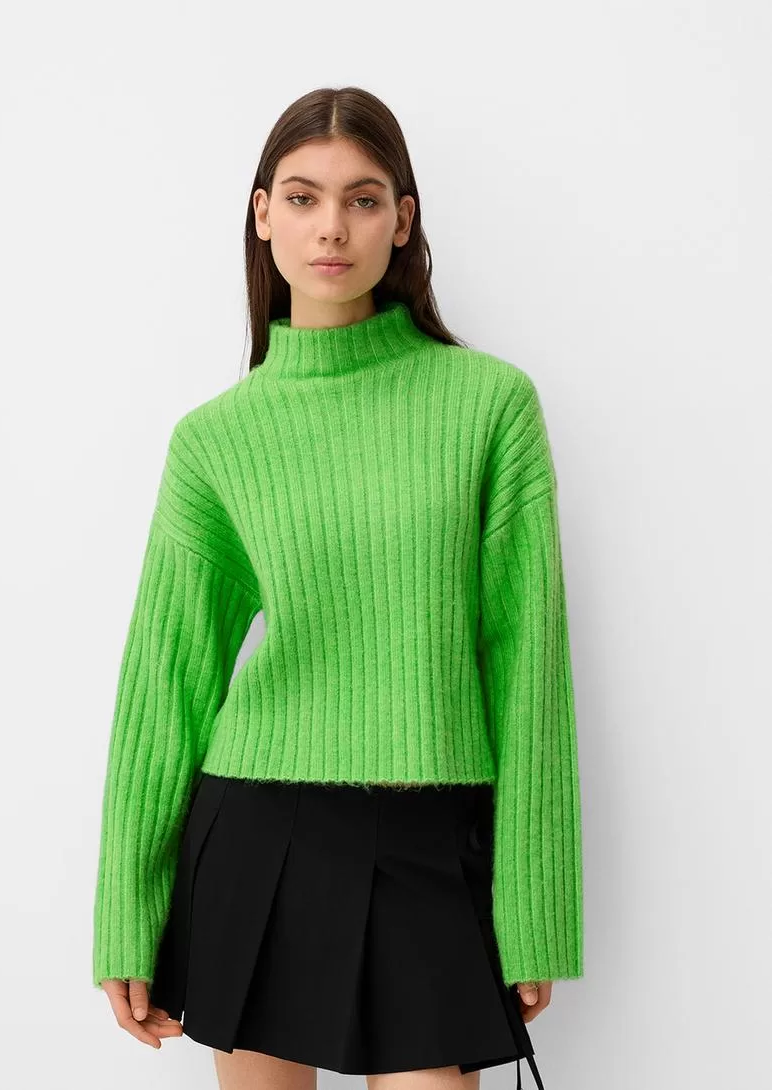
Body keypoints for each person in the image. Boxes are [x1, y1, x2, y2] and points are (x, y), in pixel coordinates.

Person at [92, 85, 584, 1090]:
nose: (331, 227)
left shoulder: (489, 405)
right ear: (261, 212)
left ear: (402, 220)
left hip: (430, 836)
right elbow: (167, 679)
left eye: (362, 199)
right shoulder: (216, 439)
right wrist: (125, 914)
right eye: (303, 196)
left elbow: (526, 659)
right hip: (257, 834)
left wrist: (534, 904)